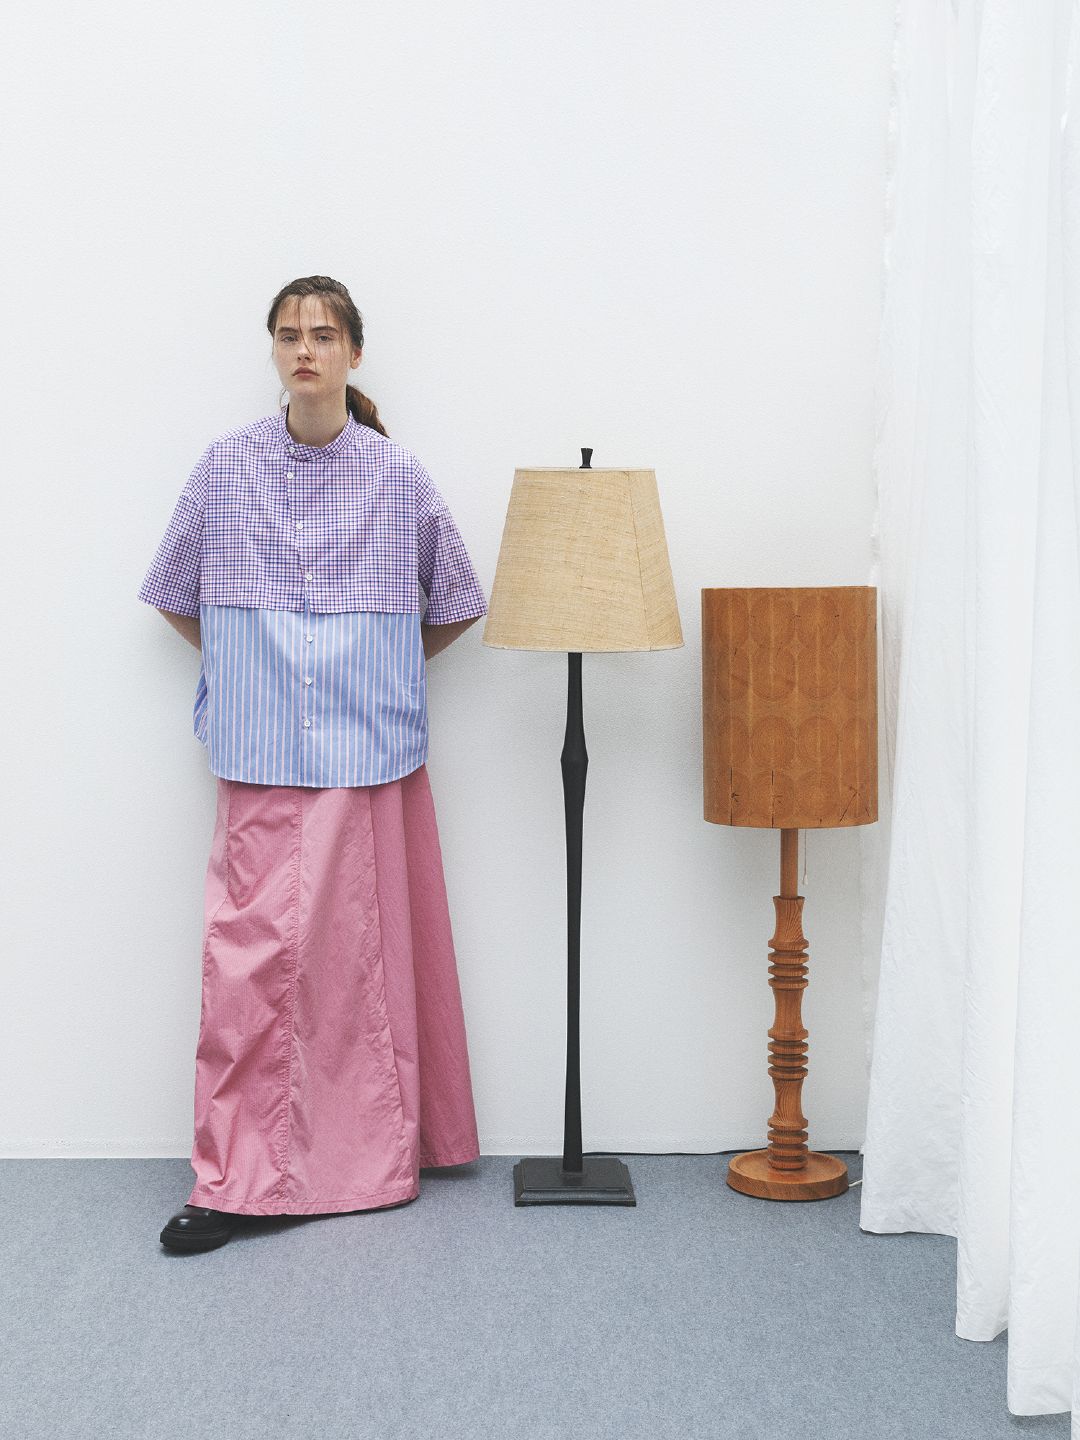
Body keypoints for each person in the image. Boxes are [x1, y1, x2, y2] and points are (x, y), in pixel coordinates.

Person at [139, 275, 488, 1253]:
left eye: (325, 334)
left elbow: (459, 600)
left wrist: (381, 668)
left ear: (353, 353)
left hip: (366, 760)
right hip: (260, 757)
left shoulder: (398, 476)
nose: (306, 348)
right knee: (247, 967)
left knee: (355, 973)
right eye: (290, 333)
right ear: (273, 349)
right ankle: (237, 1179)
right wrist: (245, 665)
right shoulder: (224, 469)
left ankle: (363, 1163)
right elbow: (172, 590)